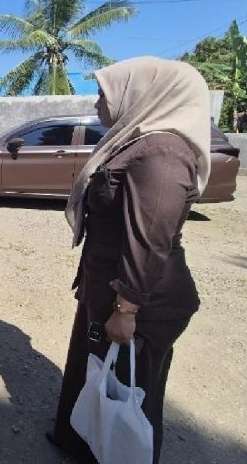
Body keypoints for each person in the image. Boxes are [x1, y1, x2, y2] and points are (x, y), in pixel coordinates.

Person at [50, 57, 211, 463]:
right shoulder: (136, 142)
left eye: (105, 92)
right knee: (97, 375)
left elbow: (152, 238)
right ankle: (82, 443)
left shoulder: (162, 153)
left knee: (128, 394)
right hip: (110, 289)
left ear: (140, 94)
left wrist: (127, 307)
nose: (97, 101)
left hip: (139, 303)